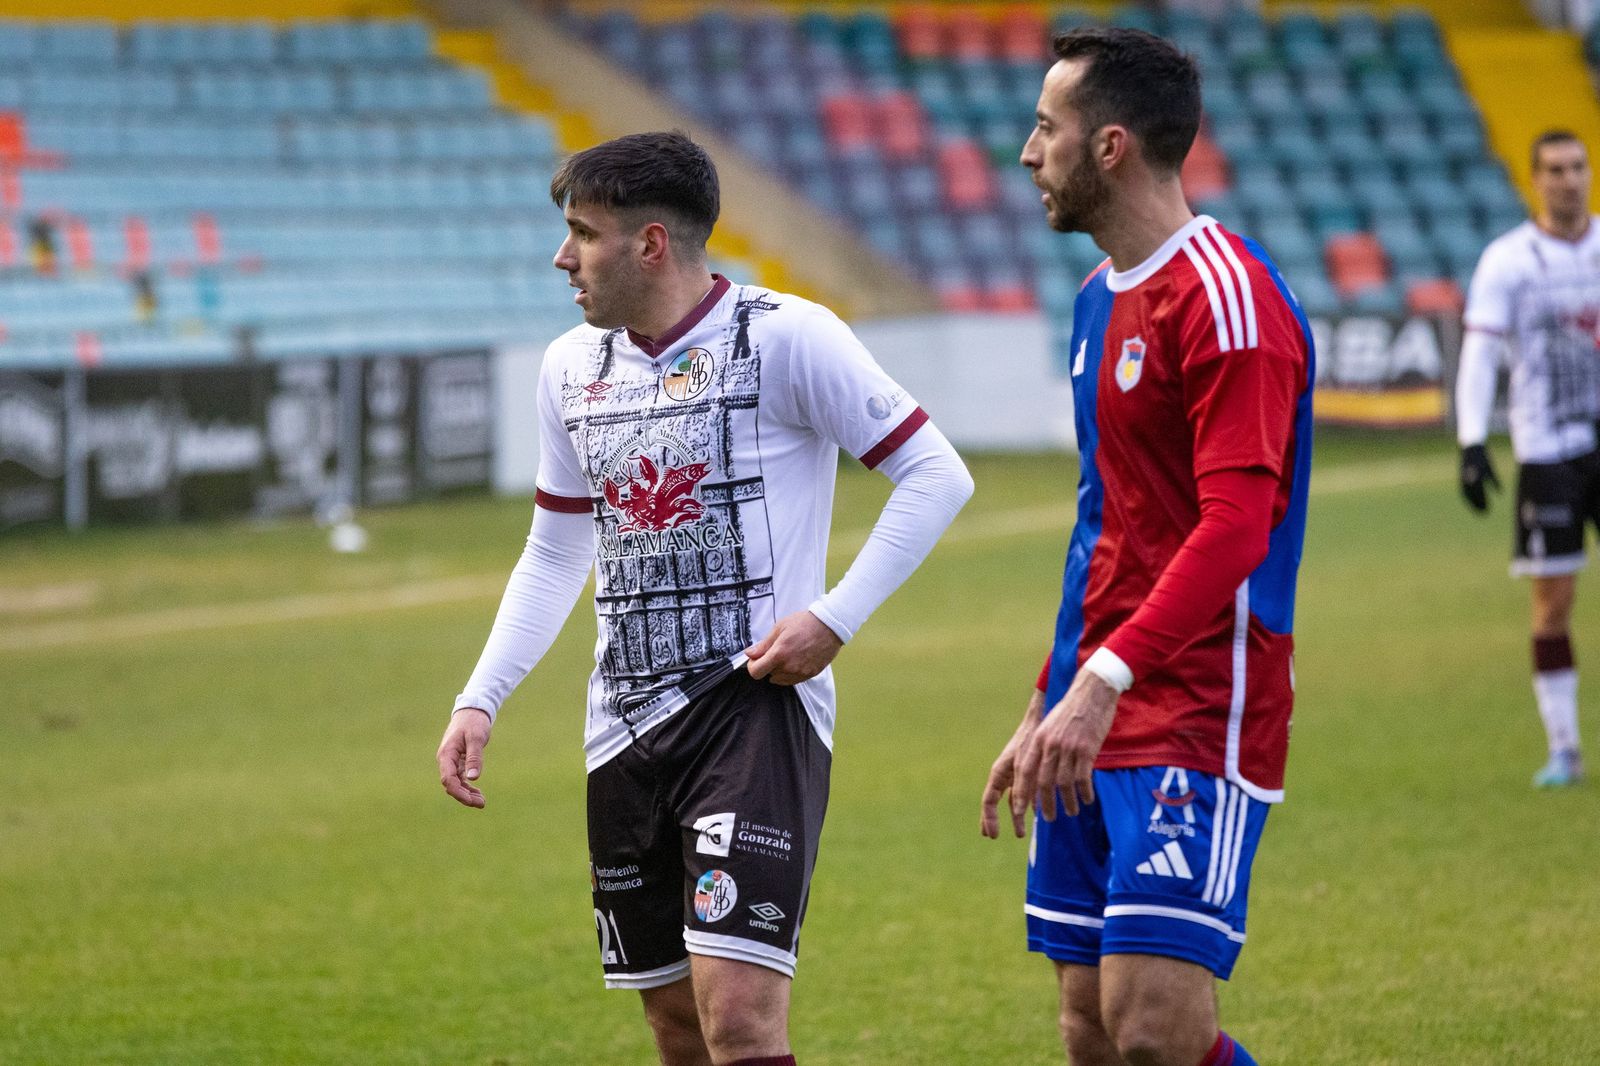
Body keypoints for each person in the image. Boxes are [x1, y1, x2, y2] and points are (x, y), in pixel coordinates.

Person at [435, 131, 972, 1066]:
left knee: (739, 1019)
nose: (563, 258)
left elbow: (935, 475)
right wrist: (482, 694)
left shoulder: (787, 337)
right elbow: (558, 548)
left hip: (752, 711)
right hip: (623, 726)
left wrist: (833, 619)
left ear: (650, 243)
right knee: (676, 1025)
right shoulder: (569, 367)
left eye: (581, 234)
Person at [979, 28, 1313, 1066]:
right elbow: (1104, 524)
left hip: (1198, 701)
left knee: (1153, 1036)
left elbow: (1234, 528)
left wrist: (1105, 679)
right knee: (1086, 1028)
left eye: (1047, 127)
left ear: (1111, 145)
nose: (1028, 152)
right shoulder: (1095, 303)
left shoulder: (1227, 300)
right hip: (1097, 698)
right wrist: (1050, 691)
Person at [1456, 129, 1600, 789]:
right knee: (1553, 599)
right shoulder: (1508, 261)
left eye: (1579, 167)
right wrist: (1471, 440)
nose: (1569, 179)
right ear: (1535, 177)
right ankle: (1565, 748)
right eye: (1556, 169)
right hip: (1546, 452)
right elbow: (1482, 354)